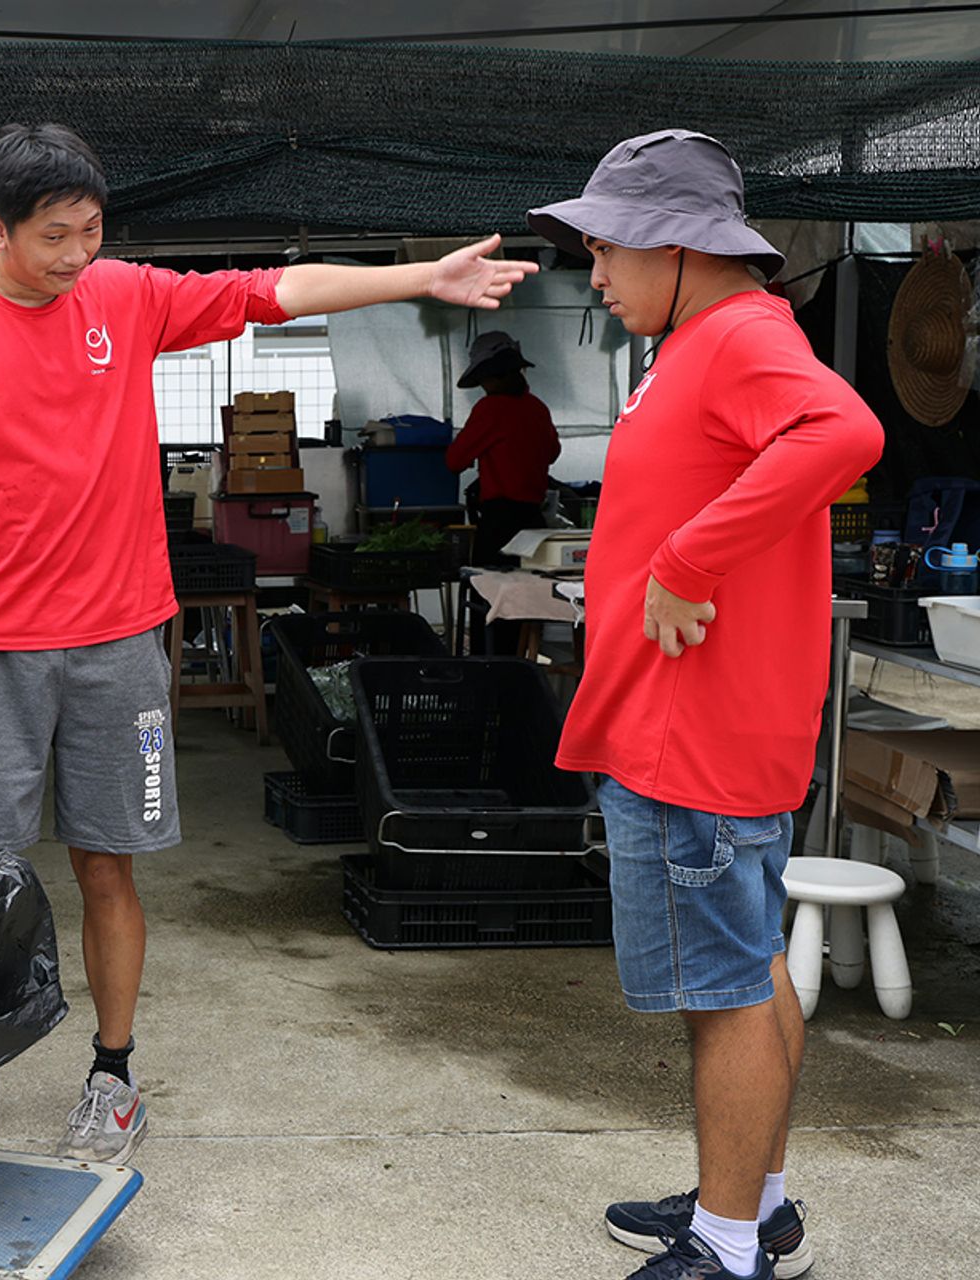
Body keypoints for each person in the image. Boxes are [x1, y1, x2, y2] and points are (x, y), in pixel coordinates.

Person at [0, 122, 535, 1164]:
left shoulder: (126, 297)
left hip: (122, 648)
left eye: (92, 229)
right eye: (54, 236)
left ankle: (113, 1073)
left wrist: (422, 276)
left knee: (108, 866)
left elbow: (278, 290)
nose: (79, 253)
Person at [529, 130, 882, 1280]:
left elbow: (849, 430)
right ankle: (755, 1200)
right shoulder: (704, 339)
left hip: (696, 731)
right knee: (747, 962)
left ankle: (730, 1247)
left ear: (676, 244)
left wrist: (685, 560)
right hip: (690, 720)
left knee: (724, 986)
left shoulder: (733, 335)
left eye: (607, 249)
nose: (595, 272)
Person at [446, 330, 561, 566]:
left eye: (483, 380)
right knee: (529, 595)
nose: (482, 386)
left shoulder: (490, 409)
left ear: (494, 376)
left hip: (500, 524)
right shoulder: (538, 408)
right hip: (533, 521)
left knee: (488, 592)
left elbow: (454, 460)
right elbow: (552, 453)